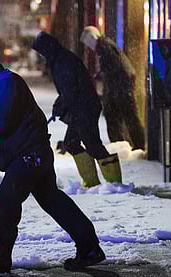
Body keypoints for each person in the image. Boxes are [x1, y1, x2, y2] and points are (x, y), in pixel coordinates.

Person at [0, 47, 105, 273]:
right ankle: (89, 247)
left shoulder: (8, 82)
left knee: (5, 200)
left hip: (30, 155)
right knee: (53, 201)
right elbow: (1, 121)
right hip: (33, 154)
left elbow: (2, 120)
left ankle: (1, 255)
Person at [31, 31, 122, 188]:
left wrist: (60, 106)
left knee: (93, 145)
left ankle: (115, 184)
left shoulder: (63, 61)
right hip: (80, 109)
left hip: (85, 109)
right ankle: (92, 182)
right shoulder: (59, 59)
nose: (42, 56)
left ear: (47, 48)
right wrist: (60, 105)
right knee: (72, 143)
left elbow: (70, 89)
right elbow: (68, 90)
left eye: (42, 52)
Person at [80, 26, 146, 151]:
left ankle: (133, 144)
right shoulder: (105, 46)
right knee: (120, 116)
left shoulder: (104, 47)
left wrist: (102, 76)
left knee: (124, 116)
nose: (88, 47)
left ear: (92, 38)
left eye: (88, 42)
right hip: (119, 86)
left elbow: (113, 67)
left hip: (120, 87)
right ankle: (124, 144)